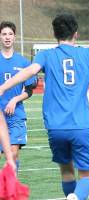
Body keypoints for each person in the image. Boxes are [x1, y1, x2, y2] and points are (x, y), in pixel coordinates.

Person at [0, 14, 89, 200]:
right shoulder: (87, 54)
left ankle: (72, 195)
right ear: (76, 34)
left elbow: (29, 71)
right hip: (80, 124)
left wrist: (3, 87)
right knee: (88, 177)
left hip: (55, 127)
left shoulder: (45, 55)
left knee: (66, 171)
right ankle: (75, 197)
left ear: (55, 34)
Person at [0, 21, 36, 173]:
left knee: (13, 156)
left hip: (16, 117)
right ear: (0, 37)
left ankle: (11, 191)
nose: (7, 37)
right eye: (4, 34)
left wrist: (15, 100)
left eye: (10, 34)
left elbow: (29, 90)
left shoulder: (24, 62)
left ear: (15, 37)